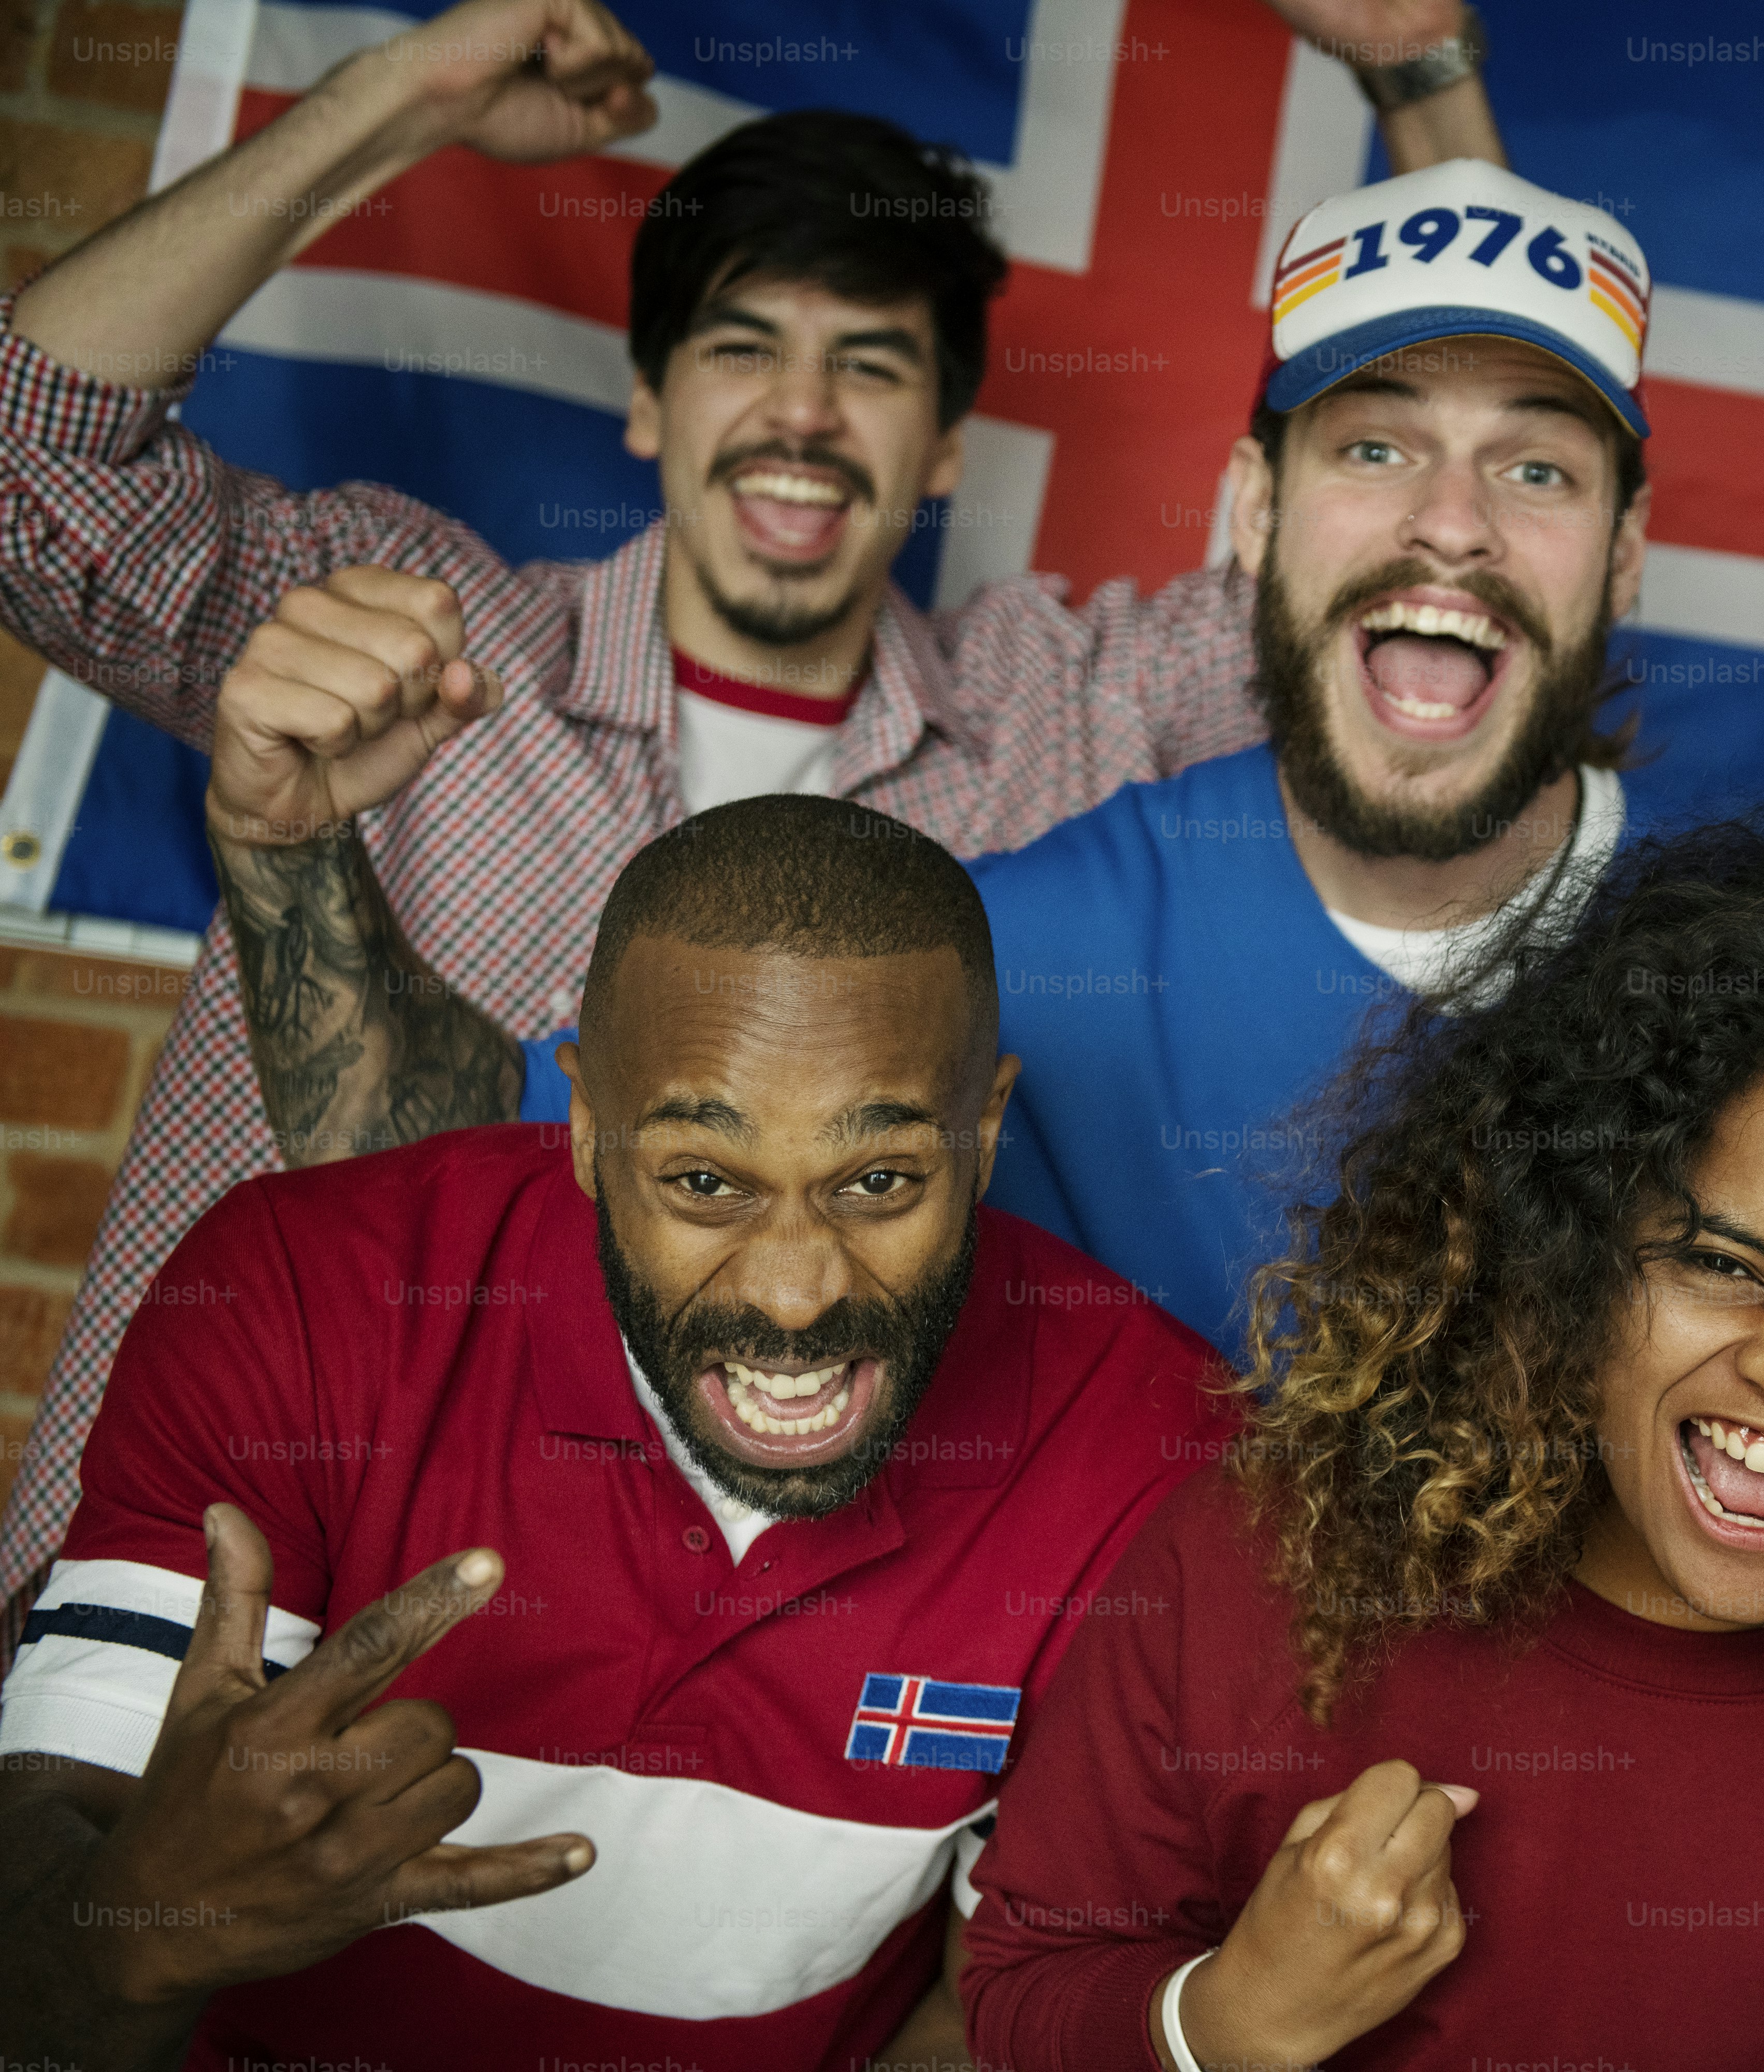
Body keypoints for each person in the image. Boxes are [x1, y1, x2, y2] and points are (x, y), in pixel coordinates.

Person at [0, 0, 1506, 1632]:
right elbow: (30, 455)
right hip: (209, 1588)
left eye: (868, 366)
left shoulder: (1062, 721)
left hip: (693, 1722)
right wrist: (401, 92)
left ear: (941, 447)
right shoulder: (399, 628)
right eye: (743, 348)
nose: (801, 413)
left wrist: (1421, 77)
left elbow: (1423, 578)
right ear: (647, 405)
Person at [203, 154, 1665, 1348]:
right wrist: (289, 854)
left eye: (1538, 468)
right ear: (1254, 515)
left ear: (1625, 558)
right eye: (1376, 446)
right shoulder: (1021, 937)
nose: (1457, 520)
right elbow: (429, 1143)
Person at [958, 810, 1764, 2069]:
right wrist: (1229, 2025)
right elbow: (1020, 1999)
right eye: (1719, 1263)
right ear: (1567, 1254)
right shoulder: (1263, 1562)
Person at [0, 795, 1232, 2071]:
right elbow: (39, 1903)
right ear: (589, 1124)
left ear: (981, 1132)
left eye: (880, 1181)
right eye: (704, 1180)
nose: (795, 1290)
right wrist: (139, 1935)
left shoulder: (1152, 1450)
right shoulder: (302, 1293)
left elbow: (995, 2007)